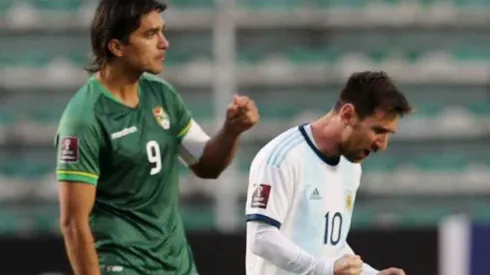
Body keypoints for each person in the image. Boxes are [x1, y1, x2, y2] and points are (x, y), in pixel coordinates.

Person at [55, 0, 259, 275]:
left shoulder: (162, 95)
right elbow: (73, 224)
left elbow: (207, 166)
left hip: (177, 266)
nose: (164, 43)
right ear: (116, 47)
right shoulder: (84, 119)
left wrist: (231, 130)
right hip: (124, 266)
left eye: (162, 32)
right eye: (150, 35)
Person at [245, 71, 412, 275]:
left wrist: (372, 274)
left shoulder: (351, 167)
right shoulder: (282, 158)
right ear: (348, 114)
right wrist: (323, 269)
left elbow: (331, 247)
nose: (383, 145)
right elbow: (261, 238)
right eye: (378, 131)